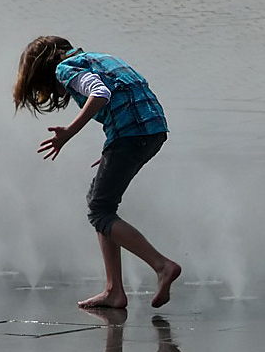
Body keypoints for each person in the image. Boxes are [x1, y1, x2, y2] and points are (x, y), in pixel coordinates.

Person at [13, 36, 181, 309]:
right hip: (153, 130)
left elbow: (101, 94)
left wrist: (68, 133)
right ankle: (114, 290)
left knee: (99, 210)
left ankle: (161, 265)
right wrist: (111, 146)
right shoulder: (102, 58)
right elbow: (128, 96)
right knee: (100, 203)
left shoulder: (64, 69)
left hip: (132, 134)